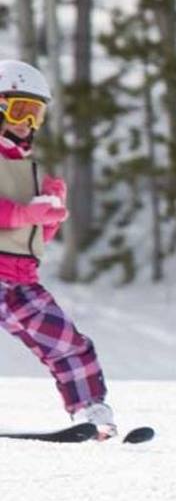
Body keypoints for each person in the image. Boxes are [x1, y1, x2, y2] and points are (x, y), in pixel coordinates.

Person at [0, 60, 114, 438]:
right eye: (20, 110)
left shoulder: (28, 169)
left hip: (18, 280)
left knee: (67, 344)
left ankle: (91, 412)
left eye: (36, 114)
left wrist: (47, 219)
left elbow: (30, 241)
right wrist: (22, 212)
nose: (26, 123)